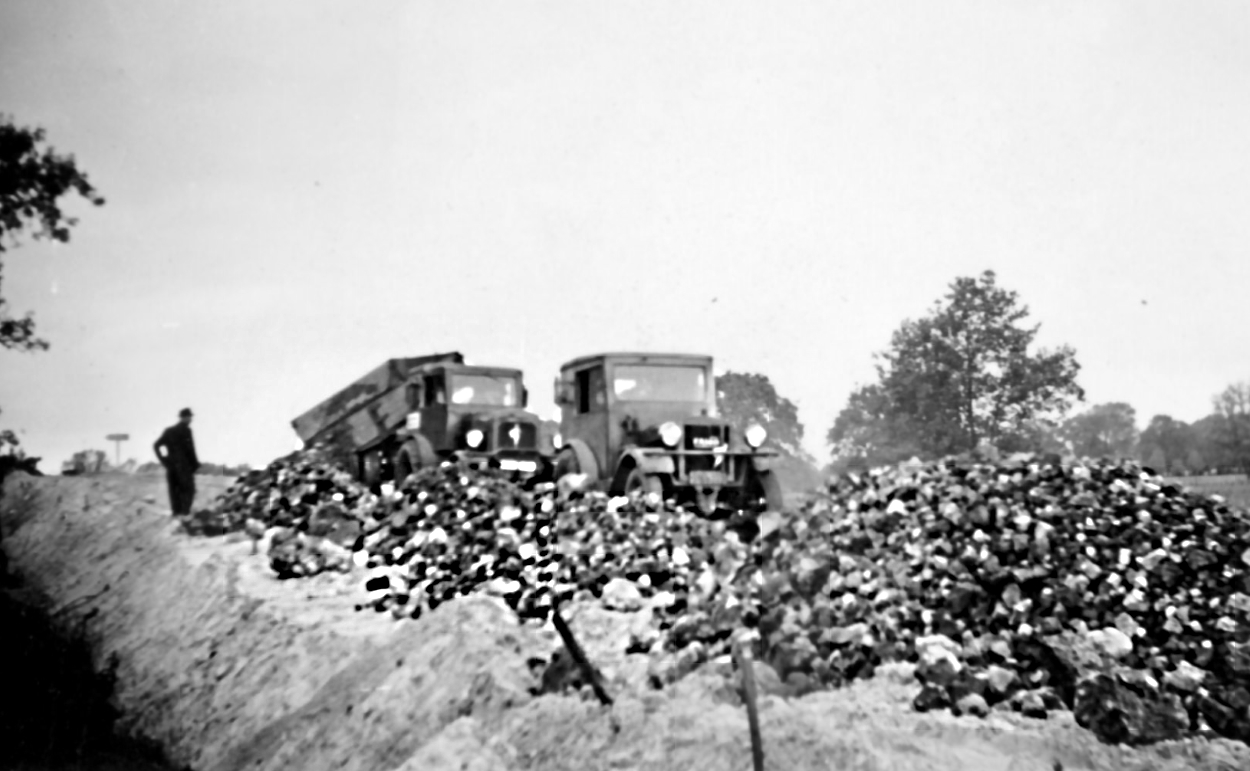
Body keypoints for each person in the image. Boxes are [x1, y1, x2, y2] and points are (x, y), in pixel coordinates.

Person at [153, 408, 200, 515]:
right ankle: (184, 517)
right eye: (189, 417)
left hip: (171, 468)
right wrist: (195, 465)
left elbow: (156, 445)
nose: (191, 420)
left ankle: (176, 516)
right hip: (184, 468)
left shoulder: (169, 431)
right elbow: (191, 450)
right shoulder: (187, 431)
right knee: (188, 492)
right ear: (184, 418)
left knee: (174, 493)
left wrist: (164, 461)